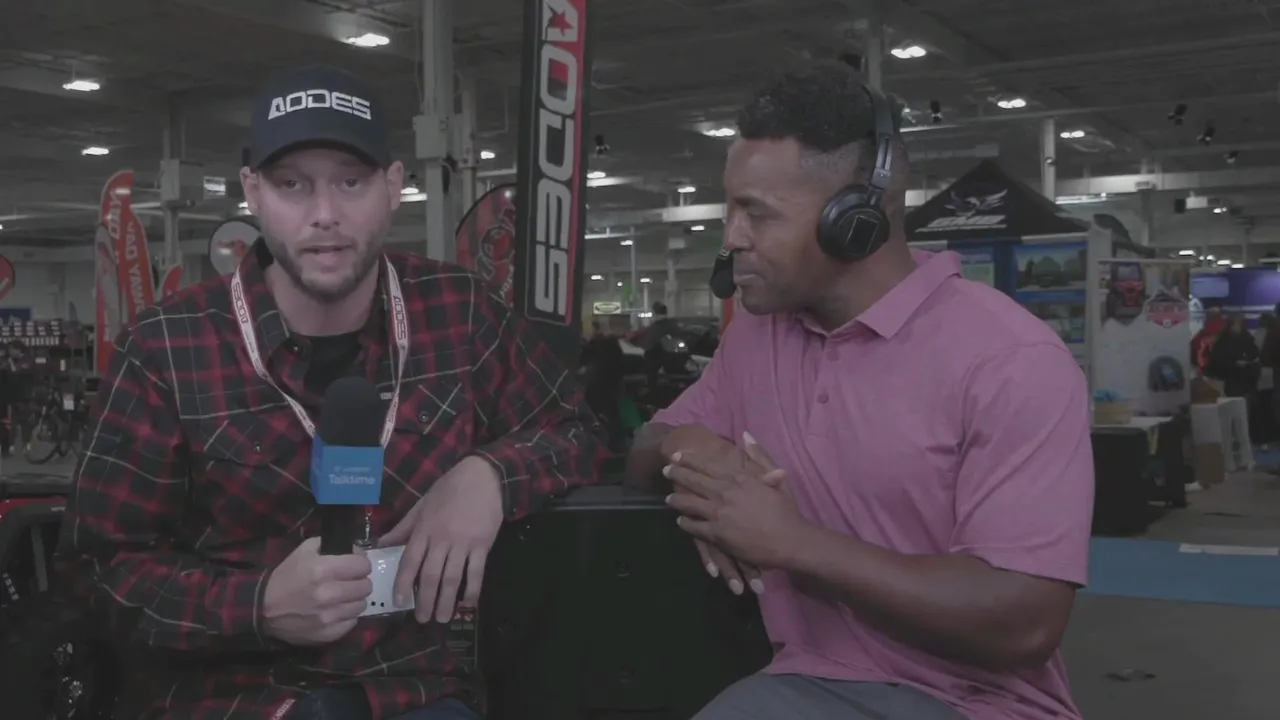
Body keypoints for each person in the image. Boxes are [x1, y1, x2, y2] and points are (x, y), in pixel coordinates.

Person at [59, 65, 605, 720]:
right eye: (293, 185)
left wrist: (488, 475)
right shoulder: (166, 346)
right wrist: (259, 605)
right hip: (230, 698)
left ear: (394, 186)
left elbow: (576, 433)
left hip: (413, 691)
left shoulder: (459, 313)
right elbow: (97, 574)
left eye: (351, 182)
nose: (324, 215)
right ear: (253, 193)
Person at [625, 62, 1093, 720]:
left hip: (975, 703)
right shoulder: (758, 337)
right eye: (730, 210)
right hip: (803, 680)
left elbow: (1025, 623)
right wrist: (695, 450)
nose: (732, 238)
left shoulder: (1011, 361)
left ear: (858, 217)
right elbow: (643, 450)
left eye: (757, 213)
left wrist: (788, 542)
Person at [1208, 314, 1260, 398]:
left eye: (1240, 324)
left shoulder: (1246, 336)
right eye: (1237, 324)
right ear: (1230, 326)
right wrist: (1235, 364)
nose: (1238, 327)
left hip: (1244, 376)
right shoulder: (1223, 339)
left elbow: (1254, 352)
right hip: (1228, 376)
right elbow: (1218, 359)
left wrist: (1246, 361)